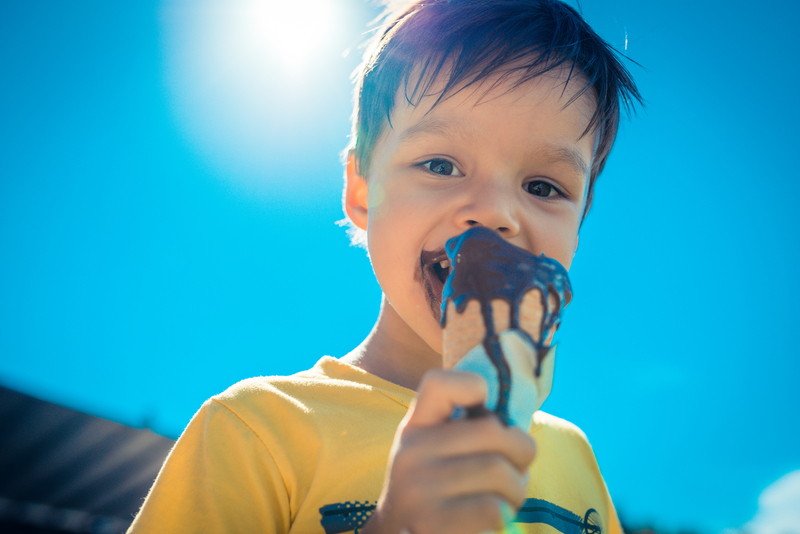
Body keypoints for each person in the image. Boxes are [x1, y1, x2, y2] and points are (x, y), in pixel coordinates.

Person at [127, 0, 641, 532]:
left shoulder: (576, 459)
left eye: (543, 187)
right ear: (361, 192)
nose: (494, 213)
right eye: (441, 165)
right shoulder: (256, 432)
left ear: (578, 229)